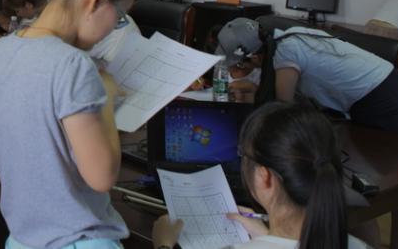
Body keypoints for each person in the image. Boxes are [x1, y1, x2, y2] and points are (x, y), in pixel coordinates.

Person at [216, 17, 398, 249]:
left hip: (388, 108)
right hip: (393, 96)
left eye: (240, 66)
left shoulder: (285, 52)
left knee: (384, 193)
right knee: (390, 194)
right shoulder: (289, 37)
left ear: (255, 56)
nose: (238, 72)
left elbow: (283, 113)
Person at [0, 0, 137, 249]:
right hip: (80, 241)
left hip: (22, 240)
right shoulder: (74, 64)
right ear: (97, 0)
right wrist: (106, 94)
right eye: (119, 17)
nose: (113, 29)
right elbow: (101, 177)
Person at [153, 102, 367, 249]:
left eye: (243, 155)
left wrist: (163, 244)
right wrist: (266, 237)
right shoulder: (358, 245)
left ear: (265, 178)